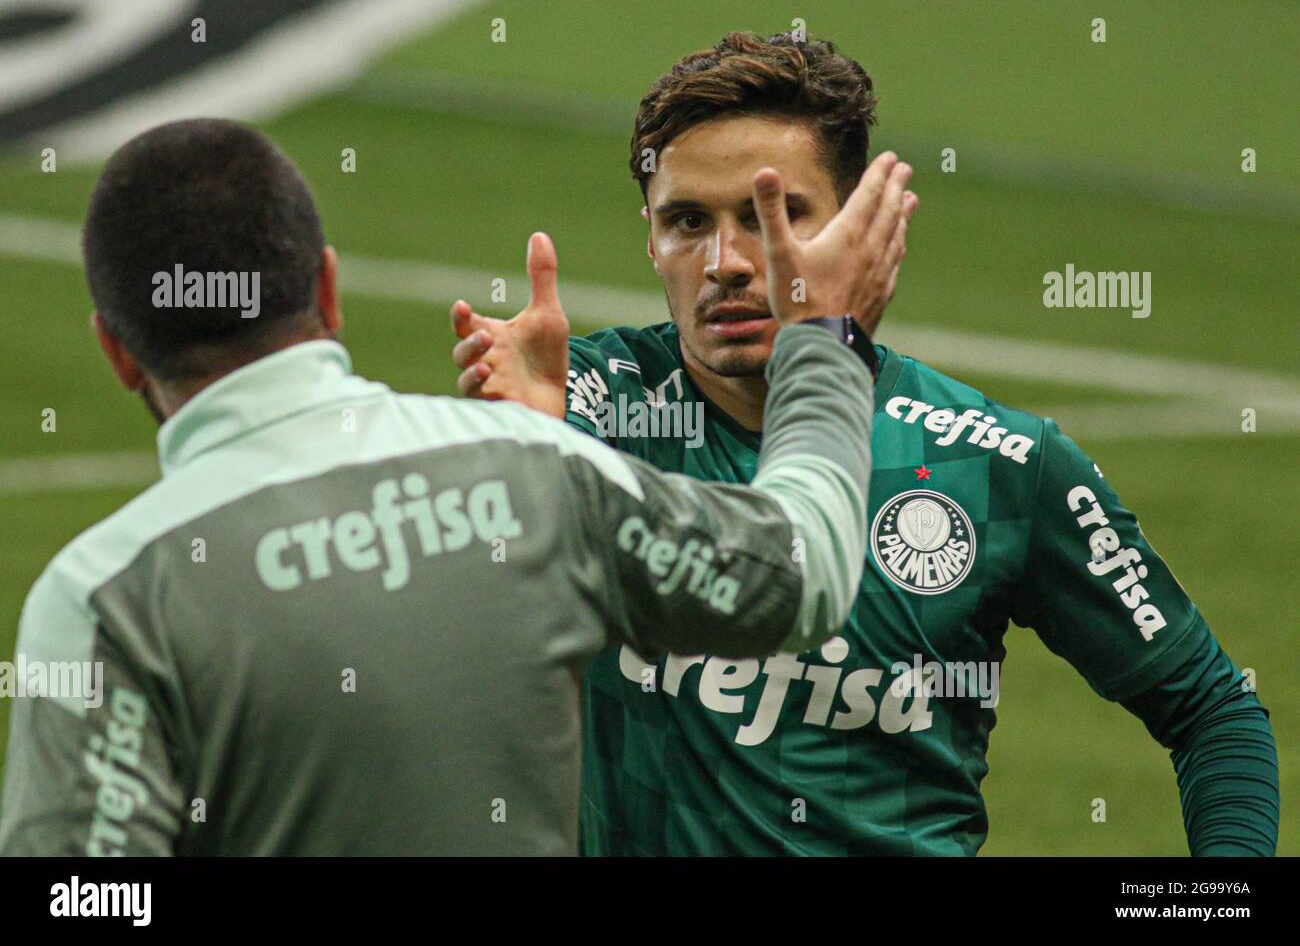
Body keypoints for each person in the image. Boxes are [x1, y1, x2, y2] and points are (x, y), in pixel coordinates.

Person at [449, 32, 1279, 855]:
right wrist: (518, 446)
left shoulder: (993, 463)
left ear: (855, 228)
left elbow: (1213, 713)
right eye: (688, 221)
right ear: (651, 239)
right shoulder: (588, 405)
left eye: (774, 216)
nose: (728, 261)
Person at [0, 116, 909, 855]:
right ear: (327, 288)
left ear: (117, 352)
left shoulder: (101, 597)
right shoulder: (536, 469)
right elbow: (805, 566)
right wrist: (824, 346)